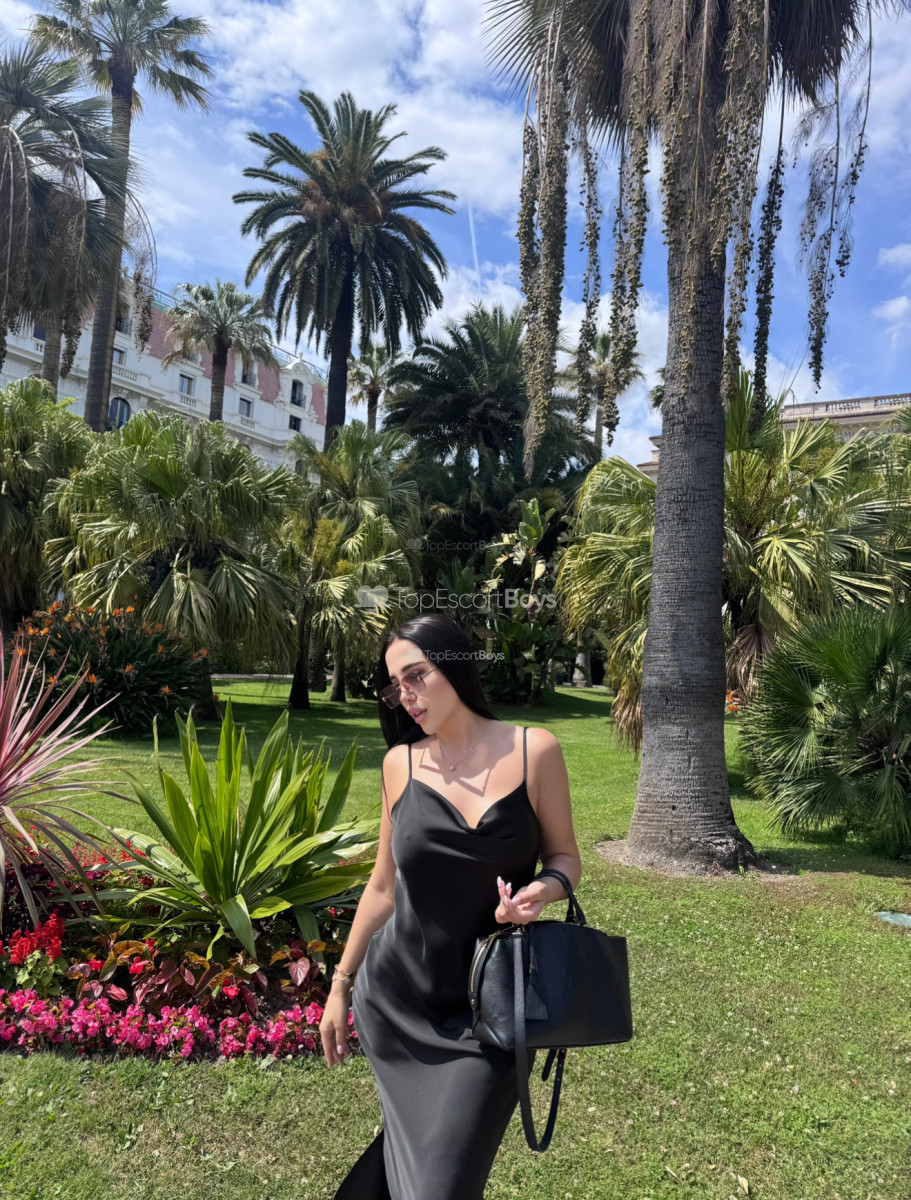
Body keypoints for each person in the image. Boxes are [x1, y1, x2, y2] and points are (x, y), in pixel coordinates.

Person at [322, 613, 582, 1199]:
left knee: (437, 1180)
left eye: (416, 675)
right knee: (421, 1160)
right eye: (396, 686)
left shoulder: (533, 750)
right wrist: (340, 986)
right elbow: (382, 887)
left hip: (493, 1010)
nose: (406, 696)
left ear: (455, 665)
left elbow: (565, 858)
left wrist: (540, 892)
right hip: (400, 1000)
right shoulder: (400, 765)